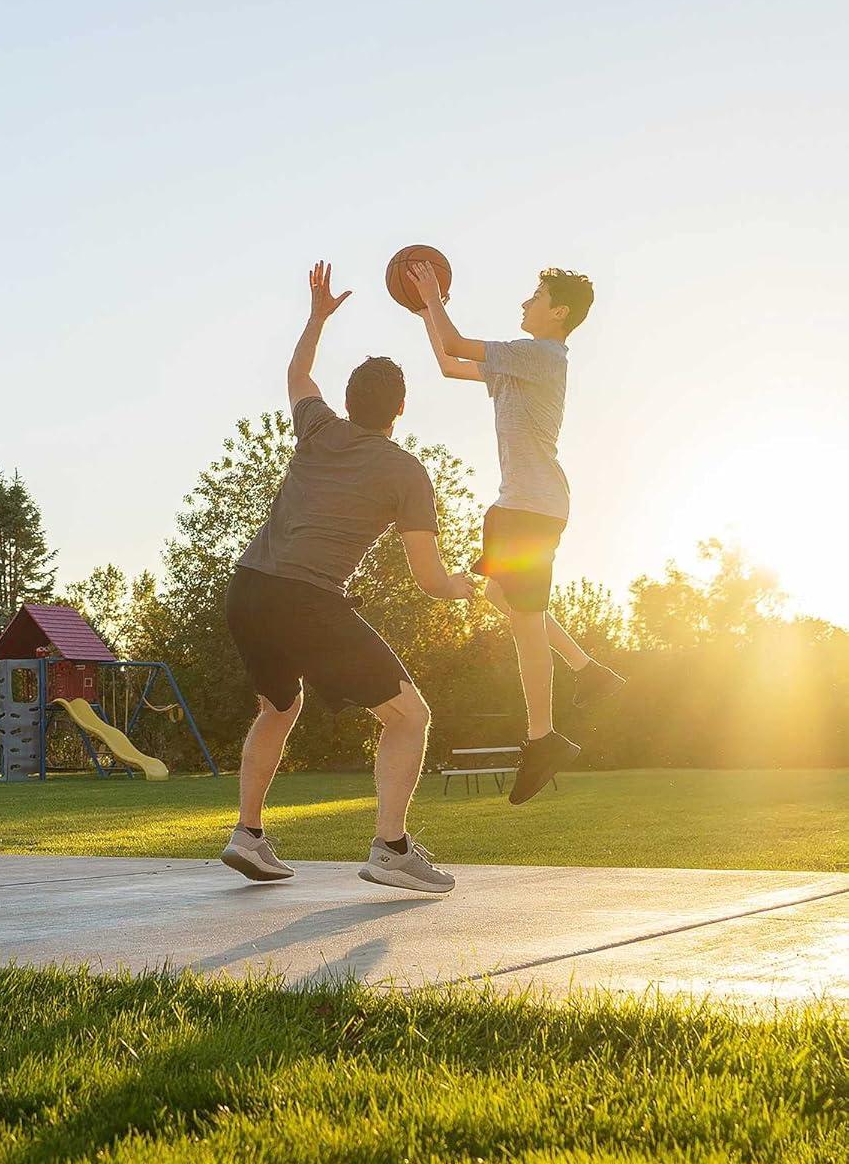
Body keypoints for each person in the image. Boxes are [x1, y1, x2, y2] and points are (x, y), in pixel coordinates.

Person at [221, 262, 475, 895]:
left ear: (349, 400)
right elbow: (429, 579)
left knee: (280, 706)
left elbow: (298, 375)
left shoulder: (318, 427)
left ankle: (247, 836)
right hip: (305, 599)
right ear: (401, 409)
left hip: (247, 588)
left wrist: (316, 316)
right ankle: (391, 848)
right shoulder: (406, 472)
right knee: (409, 717)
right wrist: (473, 586)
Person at [406, 260, 623, 806]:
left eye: (536, 295)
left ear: (560, 312)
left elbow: (454, 341)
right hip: (518, 506)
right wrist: (425, 306)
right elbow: (449, 363)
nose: (524, 303)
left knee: (524, 621)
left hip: (532, 507)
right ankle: (584, 667)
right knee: (499, 594)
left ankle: (543, 738)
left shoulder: (541, 356)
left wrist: (434, 296)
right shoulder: (519, 363)